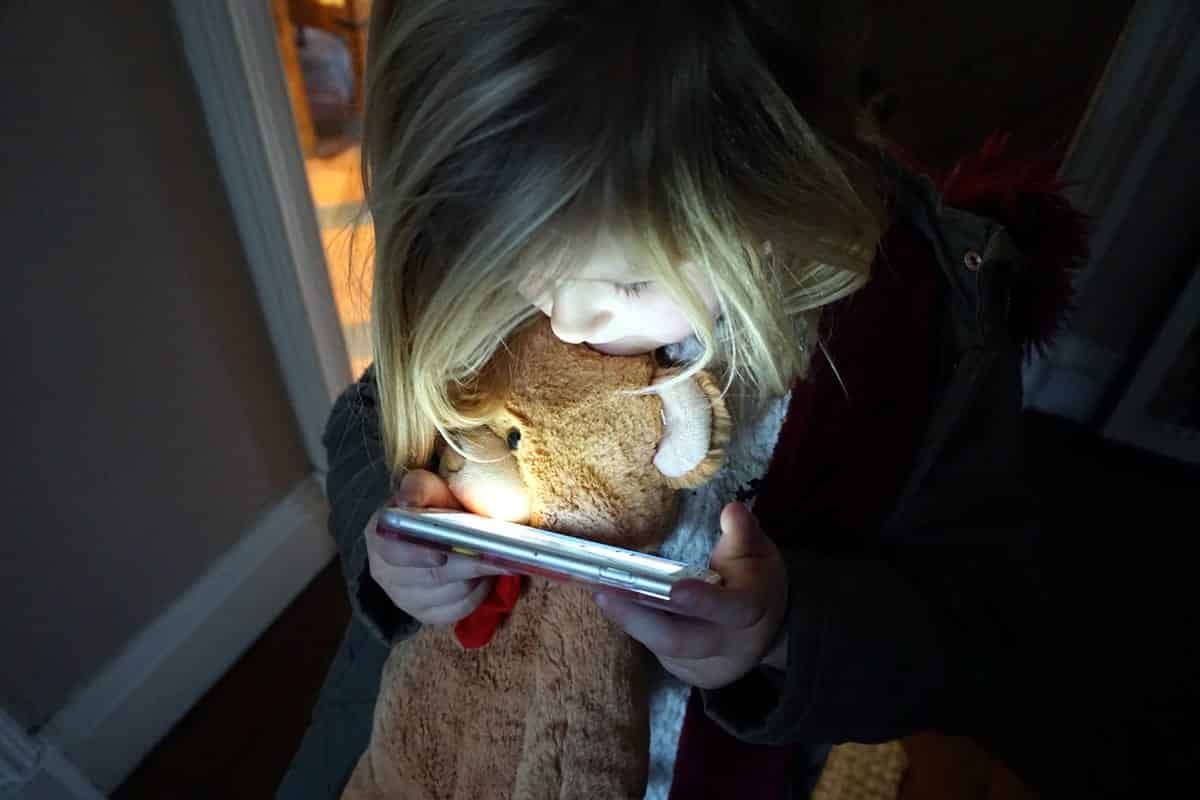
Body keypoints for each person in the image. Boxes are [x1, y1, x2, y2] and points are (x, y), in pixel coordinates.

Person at [279, 1, 1090, 798]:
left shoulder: (923, 326)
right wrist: (391, 550)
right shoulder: (492, 240)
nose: (566, 314)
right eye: (512, 266)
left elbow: (976, 625)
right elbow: (368, 424)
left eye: (629, 279)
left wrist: (784, 634)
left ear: (773, 186)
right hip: (432, 742)